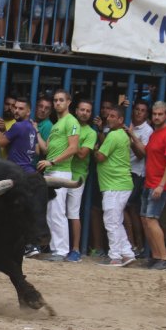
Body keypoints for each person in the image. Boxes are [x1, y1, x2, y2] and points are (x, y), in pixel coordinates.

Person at [133, 101, 166, 270]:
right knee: (146, 220)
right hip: (149, 182)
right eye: (155, 114)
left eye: (160, 114)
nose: (157, 117)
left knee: (152, 219)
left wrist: (161, 185)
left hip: (159, 185)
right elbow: (146, 152)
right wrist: (132, 136)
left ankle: (165, 258)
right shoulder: (154, 133)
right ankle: (156, 256)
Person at [37, 89, 80, 262]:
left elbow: (73, 148)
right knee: (51, 212)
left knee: (57, 211)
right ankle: (56, 249)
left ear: (69, 102)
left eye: (61, 100)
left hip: (60, 170)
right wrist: (36, 132)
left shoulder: (71, 121)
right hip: (51, 171)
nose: (57, 103)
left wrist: (52, 162)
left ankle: (61, 250)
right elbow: (46, 149)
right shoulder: (56, 125)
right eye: (55, 100)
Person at [0, 97, 38, 256]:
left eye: (20, 108)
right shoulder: (31, 127)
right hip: (28, 171)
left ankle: (27, 244)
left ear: (28, 111)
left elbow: (1, 142)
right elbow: (36, 150)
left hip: (17, 173)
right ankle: (28, 244)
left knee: (12, 210)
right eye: (15, 108)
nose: (16, 111)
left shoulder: (18, 126)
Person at [94, 106, 135, 267]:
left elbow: (100, 157)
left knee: (111, 222)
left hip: (115, 185)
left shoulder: (114, 135)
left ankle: (115, 256)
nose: (109, 118)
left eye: (113, 116)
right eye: (108, 116)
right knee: (116, 221)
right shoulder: (122, 134)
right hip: (119, 184)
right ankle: (127, 253)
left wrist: (95, 149)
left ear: (120, 120)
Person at [64, 99, 97, 262]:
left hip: (78, 176)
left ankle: (76, 249)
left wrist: (71, 143)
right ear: (76, 110)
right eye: (82, 110)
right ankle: (56, 247)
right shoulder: (69, 124)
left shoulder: (91, 133)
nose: (84, 113)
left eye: (88, 111)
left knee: (73, 213)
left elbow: (83, 154)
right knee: (56, 211)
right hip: (62, 172)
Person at [125, 99, 152, 257]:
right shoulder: (127, 124)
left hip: (136, 172)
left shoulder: (147, 130)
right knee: (132, 209)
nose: (139, 113)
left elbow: (142, 154)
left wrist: (131, 136)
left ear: (146, 114)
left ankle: (134, 245)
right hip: (124, 170)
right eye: (137, 109)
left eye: (143, 110)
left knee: (125, 206)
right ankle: (137, 245)